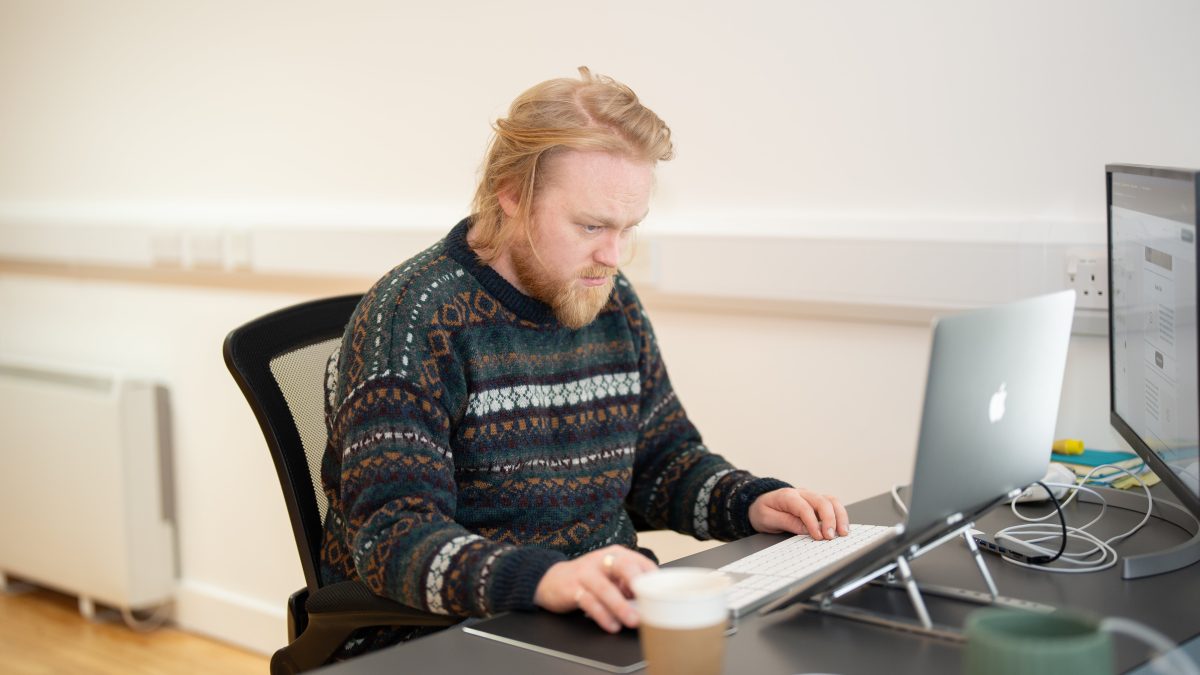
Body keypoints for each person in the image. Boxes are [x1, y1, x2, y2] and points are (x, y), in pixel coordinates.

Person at [319, 66, 850, 658]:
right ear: (513, 194)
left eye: (629, 229)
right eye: (591, 225)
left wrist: (750, 502)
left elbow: (662, 462)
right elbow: (393, 537)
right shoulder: (413, 320)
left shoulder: (609, 299)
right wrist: (548, 580)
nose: (612, 254)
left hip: (597, 621)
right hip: (453, 637)